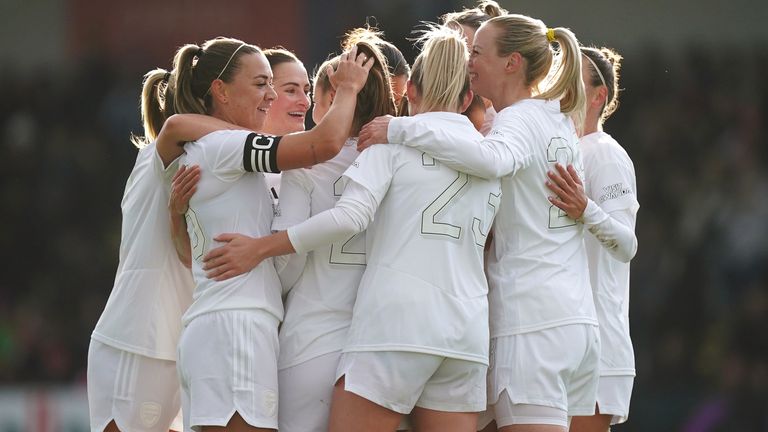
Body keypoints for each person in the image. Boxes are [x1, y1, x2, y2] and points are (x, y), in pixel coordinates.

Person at [204, 25, 501, 432]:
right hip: (464, 333)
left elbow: (294, 265)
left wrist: (259, 248)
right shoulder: (490, 156)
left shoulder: (374, 151)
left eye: (310, 90)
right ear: (468, 98)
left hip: (340, 339)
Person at [358, 15, 598, 432]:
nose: (469, 61)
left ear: (512, 63)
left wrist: (402, 128)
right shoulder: (556, 119)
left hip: (533, 322)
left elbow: (492, 161)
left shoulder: (519, 119)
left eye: (478, 53)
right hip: (571, 318)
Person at [147, 36, 372, 432]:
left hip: (220, 326)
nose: (270, 95)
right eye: (260, 84)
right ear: (220, 89)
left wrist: (175, 214)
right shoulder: (227, 145)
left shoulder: (212, 149)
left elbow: (190, 255)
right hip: (237, 330)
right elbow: (324, 143)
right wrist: (349, 88)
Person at [86, 67, 219, 432]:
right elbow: (176, 128)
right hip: (138, 338)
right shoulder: (156, 159)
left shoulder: (203, 171)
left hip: (173, 342)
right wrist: (261, 137)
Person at [544, 46, 638, 432]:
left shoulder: (605, 154)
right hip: (557, 340)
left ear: (599, 96)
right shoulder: (554, 148)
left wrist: (586, 209)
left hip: (598, 346)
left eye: (573, 76)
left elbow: (626, 244)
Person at [441, 0, 507, 135]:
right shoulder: (420, 109)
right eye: (442, 49)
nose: (447, 59)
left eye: (463, 50)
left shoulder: (505, 125)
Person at [261, 48, 313, 202]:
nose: (306, 102)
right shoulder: (229, 153)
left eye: (307, 91)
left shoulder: (314, 165)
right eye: (291, 90)